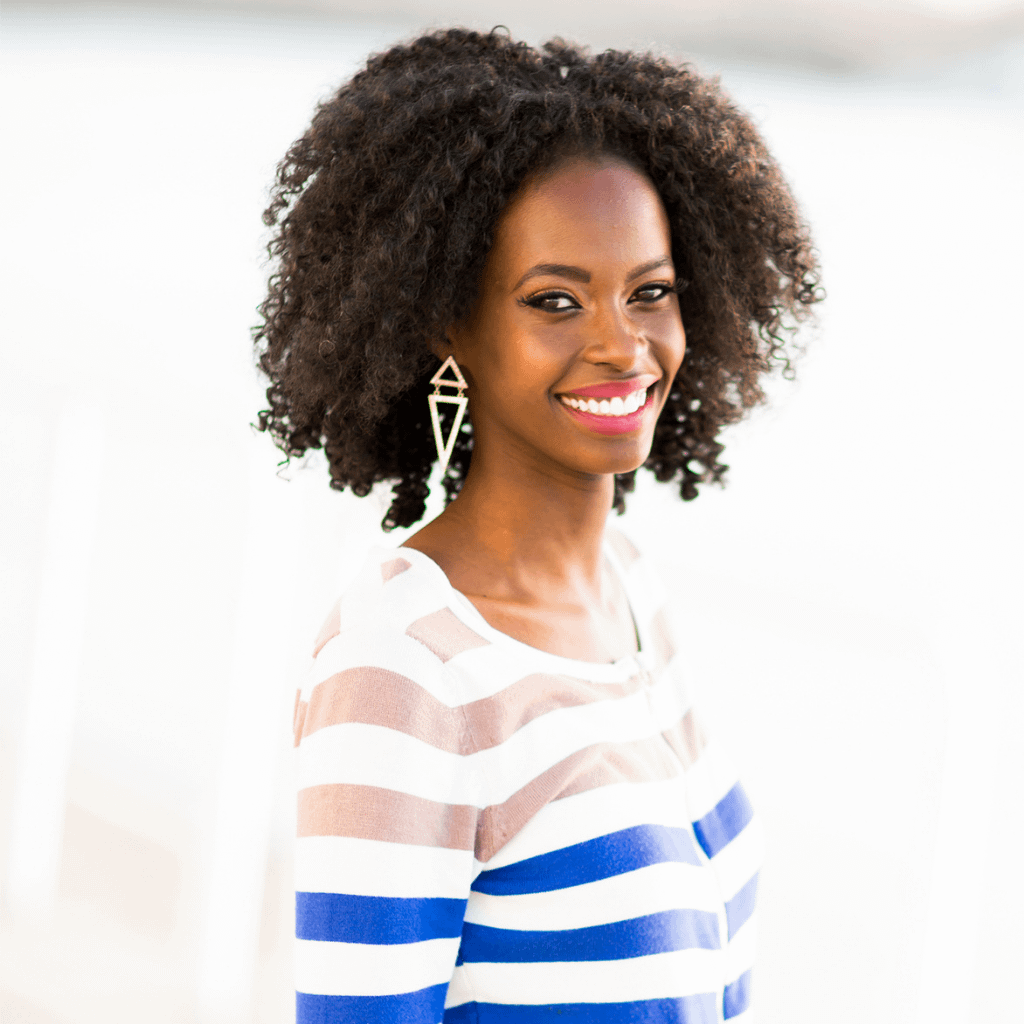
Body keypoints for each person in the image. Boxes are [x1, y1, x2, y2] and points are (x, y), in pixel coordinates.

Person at [254, 27, 820, 1024]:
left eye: (650, 292)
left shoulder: (629, 589)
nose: (620, 344)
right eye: (554, 301)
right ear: (445, 325)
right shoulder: (402, 668)